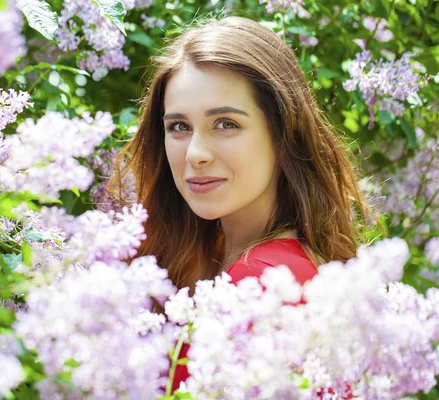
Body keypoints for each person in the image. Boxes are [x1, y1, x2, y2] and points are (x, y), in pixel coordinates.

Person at [108, 15, 373, 395]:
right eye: (179, 127)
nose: (196, 153)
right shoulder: (228, 264)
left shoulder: (264, 286)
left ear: (283, 134)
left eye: (226, 124)